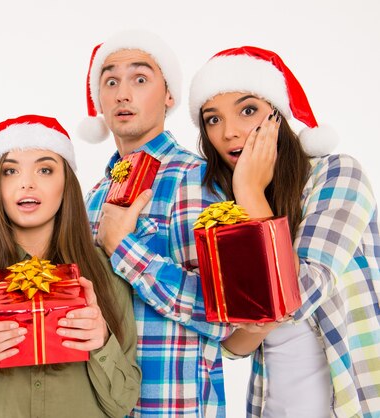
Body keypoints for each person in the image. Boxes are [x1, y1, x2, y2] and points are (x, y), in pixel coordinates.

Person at [188, 46, 380, 417]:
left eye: (248, 110)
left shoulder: (338, 175)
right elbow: (232, 344)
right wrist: (256, 326)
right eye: (212, 120)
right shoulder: (224, 208)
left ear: (280, 115)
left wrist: (250, 192)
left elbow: (302, 290)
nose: (229, 132)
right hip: (271, 405)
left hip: (349, 403)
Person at [0, 114, 140, 418]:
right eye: (10, 171)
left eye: (45, 169)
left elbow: (122, 403)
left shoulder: (104, 271)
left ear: (66, 183)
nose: (27, 183)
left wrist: (102, 342)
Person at [79, 30, 233, 417]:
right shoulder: (94, 193)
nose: (122, 93)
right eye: (110, 81)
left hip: (167, 407)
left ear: (169, 95)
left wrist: (123, 248)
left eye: (140, 78)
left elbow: (224, 314)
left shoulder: (192, 178)